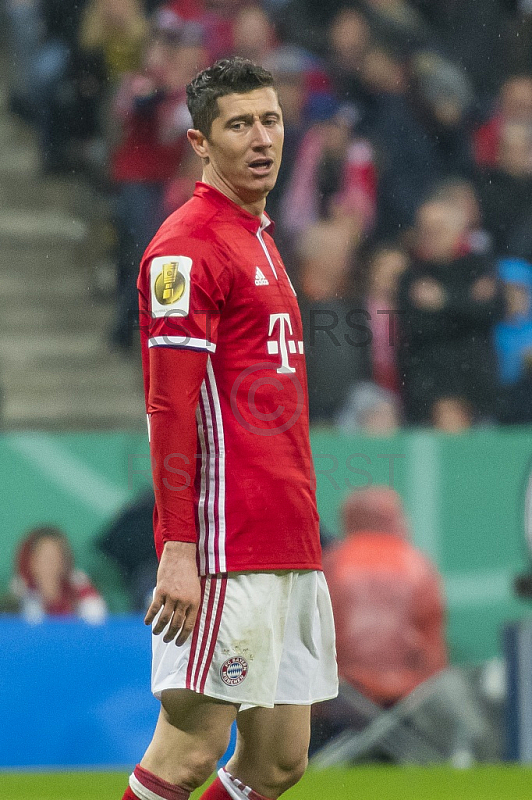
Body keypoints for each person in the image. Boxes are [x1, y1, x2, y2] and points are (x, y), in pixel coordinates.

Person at [122, 57, 338, 800]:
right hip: (222, 542)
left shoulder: (260, 238)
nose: (260, 138)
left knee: (277, 765)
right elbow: (169, 407)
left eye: (270, 120)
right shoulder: (187, 248)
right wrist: (178, 546)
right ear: (199, 144)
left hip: (285, 536)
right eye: (239, 124)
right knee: (187, 751)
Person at [9, 526, 107, 624]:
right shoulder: (20, 593)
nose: (51, 563)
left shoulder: (80, 586)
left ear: (64, 561)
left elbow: (96, 624)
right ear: (31, 562)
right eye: (44, 557)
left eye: (56, 556)